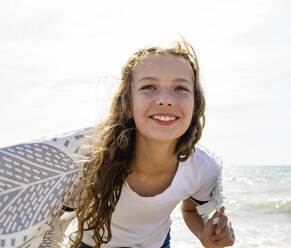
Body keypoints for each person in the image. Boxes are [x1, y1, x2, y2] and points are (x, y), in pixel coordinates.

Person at [61, 40, 235, 248]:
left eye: (180, 88)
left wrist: (206, 235)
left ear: (196, 104)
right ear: (127, 103)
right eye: (149, 87)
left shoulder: (201, 169)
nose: (165, 99)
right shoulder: (89, 159)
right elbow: (50, 220)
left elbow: (190, 210)